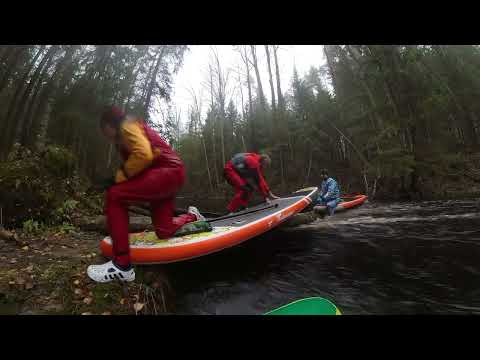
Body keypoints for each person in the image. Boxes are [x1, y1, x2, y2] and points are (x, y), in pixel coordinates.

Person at [87, 106, 205, 283]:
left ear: (110, 125)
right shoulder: (127, 132)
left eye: (105, 131)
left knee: (115, 196)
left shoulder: (126, 126)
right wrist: (119, 178)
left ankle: (122, 265)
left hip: (166, 173)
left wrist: (119, 177)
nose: (106, 136)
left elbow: (143, 154)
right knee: (164, 230)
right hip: (170, 174)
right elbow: (143, 161)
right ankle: (191, 216)